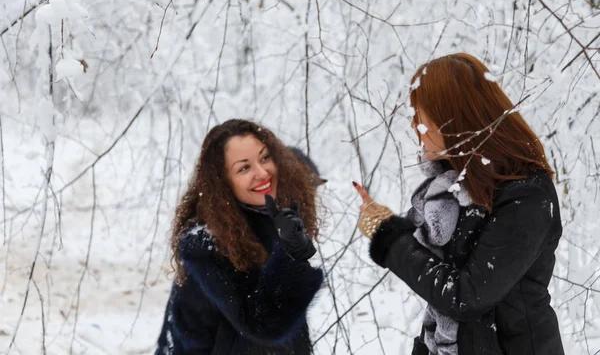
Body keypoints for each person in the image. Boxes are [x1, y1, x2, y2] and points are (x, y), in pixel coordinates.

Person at [353, 53, 565, 355]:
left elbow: (466, 295)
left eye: (421, 118)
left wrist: (389, 238)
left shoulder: (527, 195)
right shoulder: (454, 184)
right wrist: (384, 223)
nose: (416, 129)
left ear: (453, 119)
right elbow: (426, 258)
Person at [155, 119, 324, 355]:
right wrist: (290, 254)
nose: (262, 172)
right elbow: (263, 324)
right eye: (244, 168)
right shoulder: (207, 244)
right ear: (223, 182)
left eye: (265, 158)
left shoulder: (274, 218)